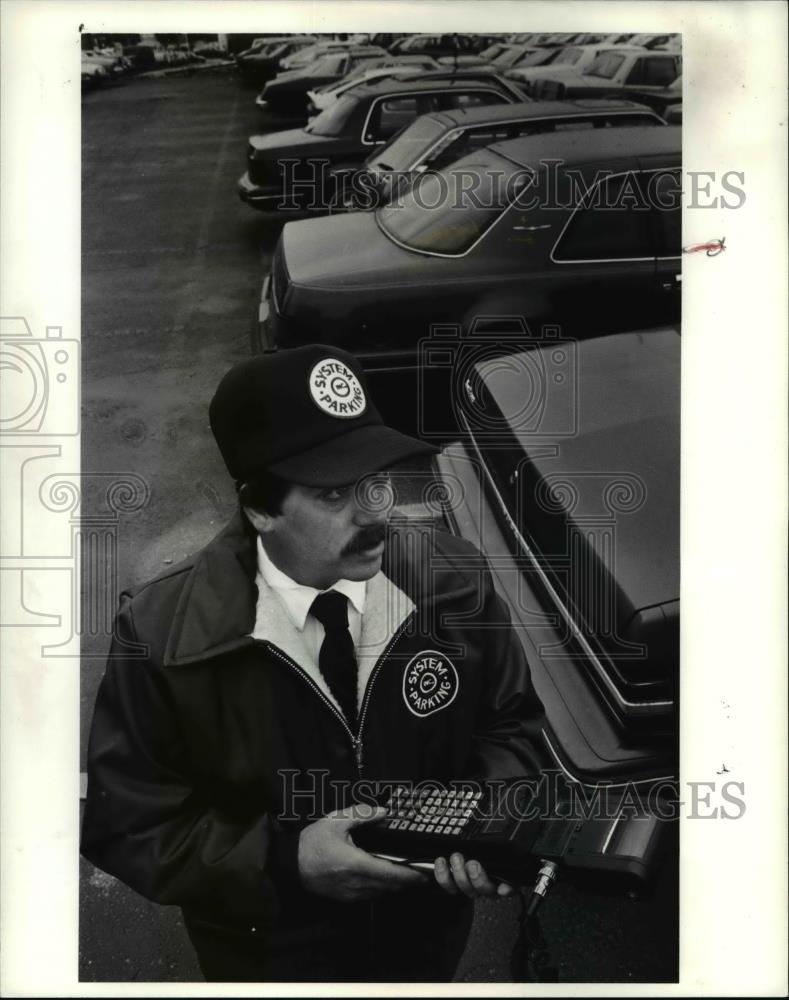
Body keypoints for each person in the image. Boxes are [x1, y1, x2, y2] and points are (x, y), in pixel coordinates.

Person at [81, 344, 546, 982]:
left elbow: (511, 726)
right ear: (259, 508)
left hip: (424, 943)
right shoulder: (163, 637)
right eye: (333, 494)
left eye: (377, 481)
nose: (374, 513)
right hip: (271, 956)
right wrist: (287, 862)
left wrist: (481, 819)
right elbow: (129, 823)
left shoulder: (454, 581)